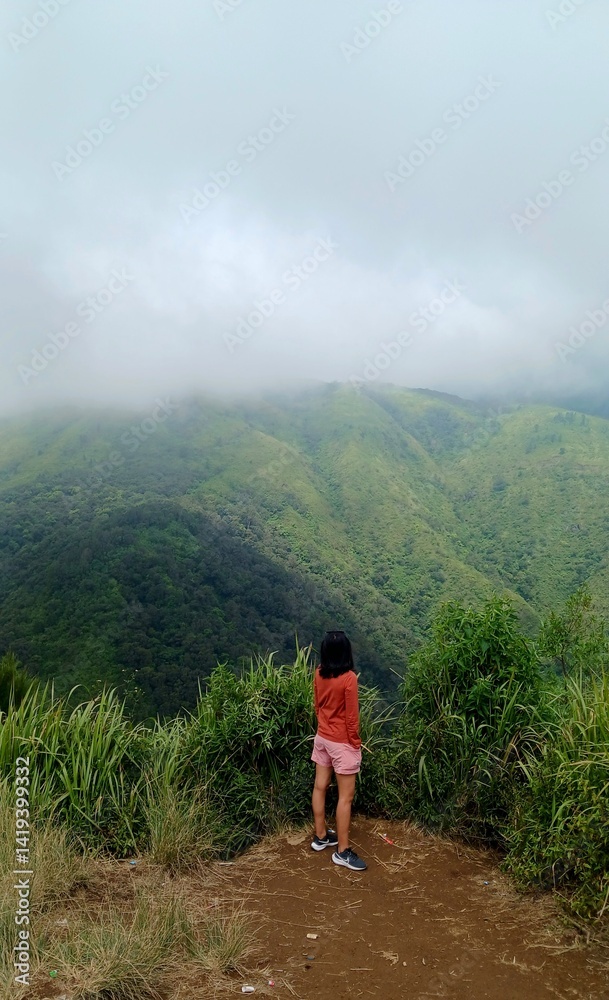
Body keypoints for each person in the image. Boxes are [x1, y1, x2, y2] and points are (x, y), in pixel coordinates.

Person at [310, 629, 367, 871]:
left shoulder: (319, 674)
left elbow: (316, 705)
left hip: (322, 737)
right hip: (342, 742)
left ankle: (321, 836)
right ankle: (342, 852)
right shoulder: (348, 679)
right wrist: (355, 742)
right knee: (346, 797)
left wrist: (324, 728)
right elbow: (352, 718)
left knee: (320, 786)